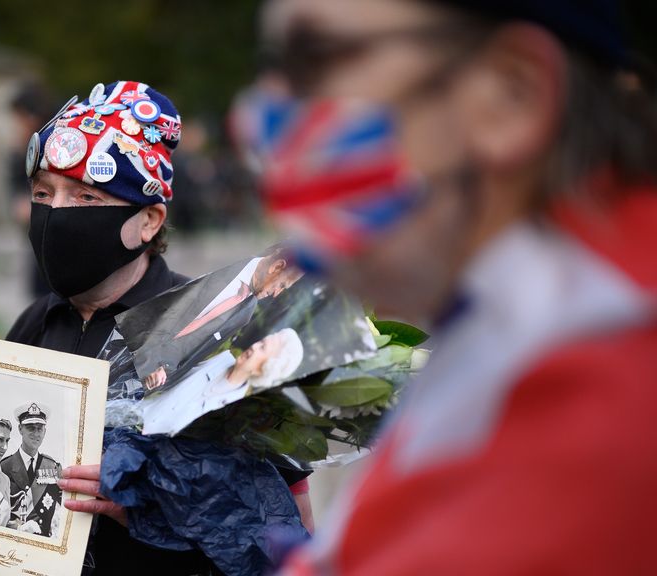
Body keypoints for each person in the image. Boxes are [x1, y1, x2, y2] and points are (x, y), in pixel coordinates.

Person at [256, 0, 657, 573]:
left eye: (316, 58)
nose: (260, 115)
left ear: (512, 95)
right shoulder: (533, 327)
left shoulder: (611, 398)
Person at [0, 80, 314, 574]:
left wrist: (151, 508)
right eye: (43, 193)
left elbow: (294, 535)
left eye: (85, 197)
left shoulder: (218, 333)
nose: (55, 213)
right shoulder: (35, 323)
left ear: (148, 221)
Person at [121, 248, 305, 390]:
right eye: (281, 285)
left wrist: (163, 370)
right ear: (277, 267)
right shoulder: (223, 257)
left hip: (143, 374)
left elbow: (192, 348)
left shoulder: (246, 313)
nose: (276, 294)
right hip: (122, 331)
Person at [141, 328, 305, 435]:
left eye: (263, 348)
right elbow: (170, 365)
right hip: (130, 413)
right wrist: (157, 370)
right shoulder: (216, 352)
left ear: (265, 369)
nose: (255, 346)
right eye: (261, 342)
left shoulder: (236, 413)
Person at [0, 402, 63, 538]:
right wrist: (18, 527)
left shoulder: (53, 467)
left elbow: (66, 505)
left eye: (39, 429)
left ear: (45, 431)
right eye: (30, 428)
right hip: (12, 540)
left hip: (44, 543)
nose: (36, 433)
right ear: (20, 429)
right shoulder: (4, 467)